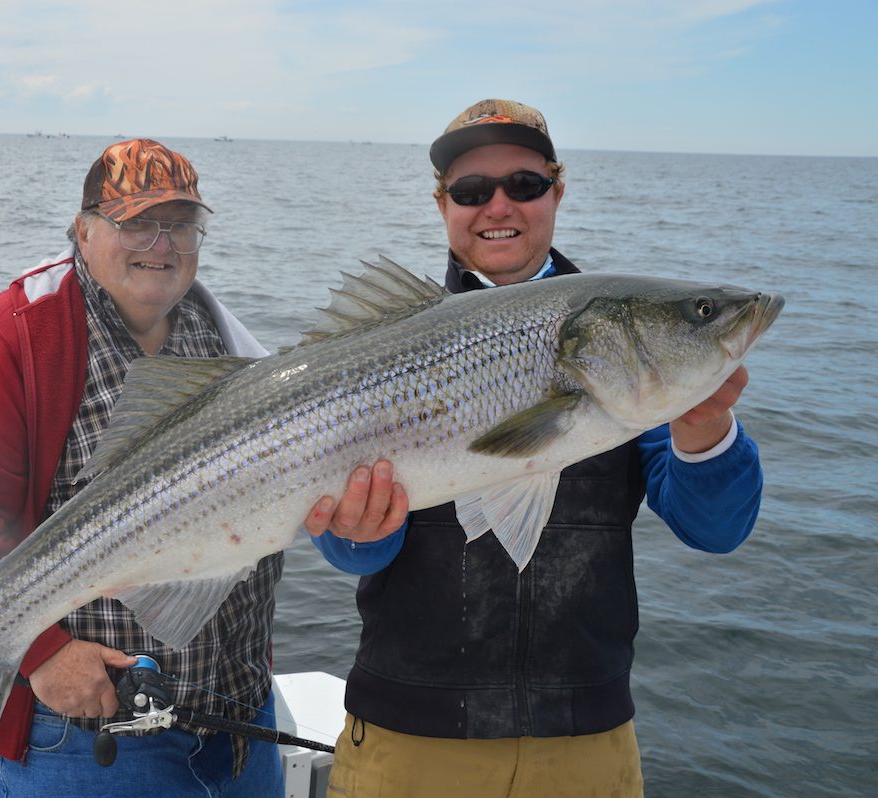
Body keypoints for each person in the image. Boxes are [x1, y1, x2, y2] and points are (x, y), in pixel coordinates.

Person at [304, 99, 765, 797]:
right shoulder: (387, 342)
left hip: (586, 743)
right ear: (442, 205)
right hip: (410, 741)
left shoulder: (616, 350)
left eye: (523, 184)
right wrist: (359, 532)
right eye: (470, 190)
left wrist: (702, 432)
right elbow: (346, 549)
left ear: (557, 190)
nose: (498, 206)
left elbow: (716, 529)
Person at [0, 138, 285, 797]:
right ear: (82, 231)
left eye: (181, 224)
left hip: (243, 723)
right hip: (91, 741)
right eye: (135, 222)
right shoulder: (13, 334)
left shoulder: (220, 331)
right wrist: (41, 654)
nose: (160, 244)